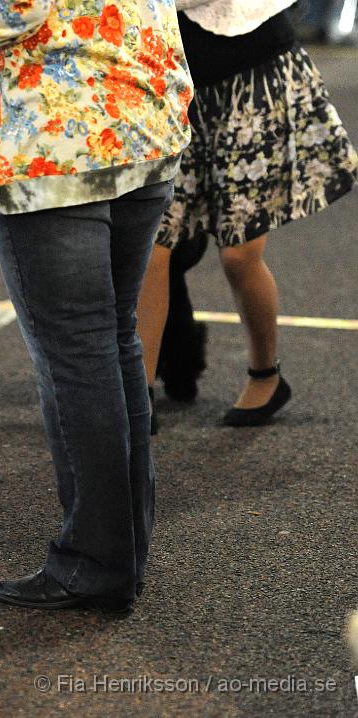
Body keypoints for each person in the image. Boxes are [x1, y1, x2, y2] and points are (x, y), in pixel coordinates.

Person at [0, 2, 192, 611]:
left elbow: (10, 6)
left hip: (57, 140)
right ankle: (121, 548)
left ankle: (95, 562)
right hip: (142, 112)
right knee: (110, 342)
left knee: (76, 357)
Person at [137, 0, 358, 428]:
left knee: (239, 254)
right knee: (152, 246)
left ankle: (266, 374)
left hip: (254, 83)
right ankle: (136, 393)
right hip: (168, 82)